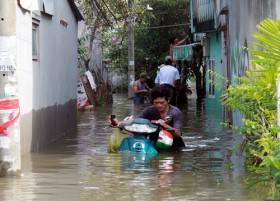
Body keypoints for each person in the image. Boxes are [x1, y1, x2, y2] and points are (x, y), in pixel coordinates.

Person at [110, 84, 185, 148]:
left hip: (175, 147)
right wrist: (118, 123)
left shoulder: (175, 112)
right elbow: (135, 121)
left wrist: (165, 125)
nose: (159, 105)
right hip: (155, 146)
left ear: (168, 100)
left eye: (162, 102)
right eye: (156, 102)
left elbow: (178, 133)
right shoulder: (149, 111)